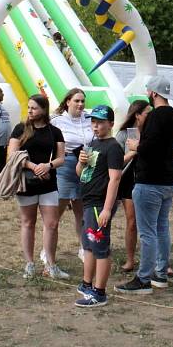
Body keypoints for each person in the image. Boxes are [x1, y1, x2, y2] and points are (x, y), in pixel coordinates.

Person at [116, 75, 173, 294]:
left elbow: (150, 146)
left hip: (150, 180)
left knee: (147, 232)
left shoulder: (155, 116)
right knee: (162, 227)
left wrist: (136, 145)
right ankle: (160, 273)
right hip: (168, 179)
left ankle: (143, 278)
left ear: (153, 93)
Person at [8, 94, 66, 279]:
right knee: (28, 222)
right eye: (29, 107)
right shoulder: (20, 129)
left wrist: (48, 165)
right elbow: (12, 155)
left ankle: (51, 265)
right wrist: (33, 166)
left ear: (44, 109)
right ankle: (29, 264)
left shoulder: (54, 131)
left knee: (52, 223)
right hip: (26, 183)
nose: (30, 111)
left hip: (49, 183)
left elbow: (61, 158)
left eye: (34, 108)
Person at [74, 105, 124, 308]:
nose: (96, 126)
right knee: (88, 245)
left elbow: (115, 179)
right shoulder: (94, 143)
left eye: (101, 122)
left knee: (100, 247)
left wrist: (106, 208)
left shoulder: (113, 147)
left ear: (111, 124)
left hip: (99, 203)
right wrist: (80, 162)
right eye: (93, 122)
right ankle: (87, 283)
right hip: (88, 201)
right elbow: (81, 173)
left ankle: (100, 292)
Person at [51, 88, 93, 263]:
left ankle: (84, 247)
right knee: (57, 211)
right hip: (66, 165)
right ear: (67, 102)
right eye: (77, 101)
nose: (80, 104)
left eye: (83, 101)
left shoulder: (90, 119)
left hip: (86, 164)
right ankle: (48, 250)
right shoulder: (57, 121)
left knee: (82, 211)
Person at [115, 100, 152, 273]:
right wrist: (134, 151)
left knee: (153, 222)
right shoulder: (123, 135)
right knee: (132, 221)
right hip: (129, 179)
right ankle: (130, 260)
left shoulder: (152, 132)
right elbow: (116, 162)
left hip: (149, 177)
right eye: (147, 112)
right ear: (137, 115)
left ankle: (159, 262)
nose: (150, 115)